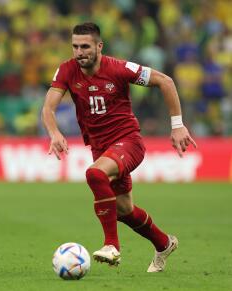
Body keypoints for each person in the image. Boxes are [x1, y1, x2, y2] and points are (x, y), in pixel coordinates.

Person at [42, 22, 197, 272]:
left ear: (99, 46)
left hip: (129, 141)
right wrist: (54, 132)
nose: (79, 52)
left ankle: (111, 246)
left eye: (85, 46)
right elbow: (48, 107)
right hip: (101, 148)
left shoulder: (120, 68)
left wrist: (177, 125)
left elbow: (165, 81)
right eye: (75, 47)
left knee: (95, 173)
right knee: (123, 210)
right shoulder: (67, 71)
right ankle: (164, 243)